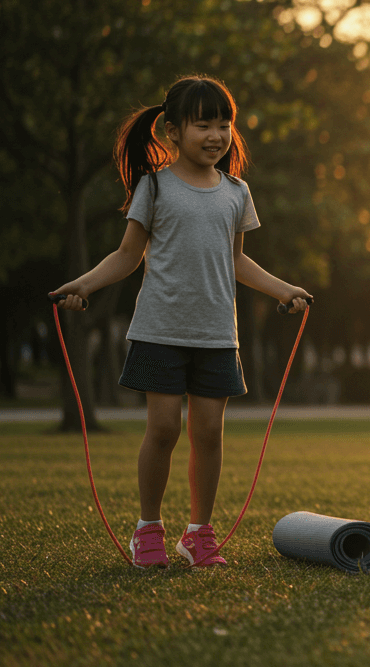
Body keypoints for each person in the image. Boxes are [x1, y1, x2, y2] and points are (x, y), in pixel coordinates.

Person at [52, 75, 311, 568]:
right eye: (203, 125)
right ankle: (148, 529)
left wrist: (285, 290)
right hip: (159, 331)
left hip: (216, 334)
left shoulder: (237, 192)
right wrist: (83, 284)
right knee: (165, 428)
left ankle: (199, 533)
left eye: (224, 124)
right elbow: (128, 255)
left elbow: (238, 262)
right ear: (172, 131)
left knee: (208, 433)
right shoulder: (153, 186)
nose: (216, 135)